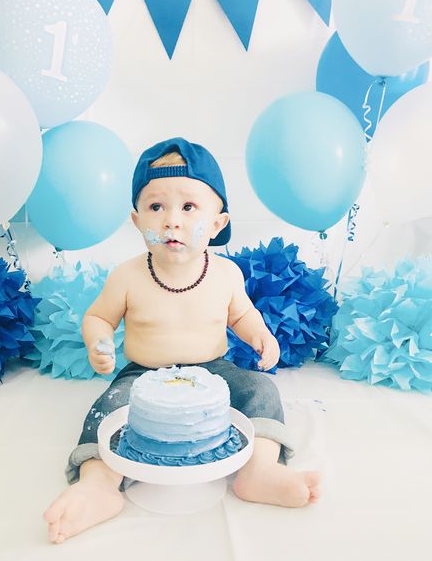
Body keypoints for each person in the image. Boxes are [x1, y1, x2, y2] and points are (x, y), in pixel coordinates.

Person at [43, 138, 321, 544]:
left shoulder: (226, 273)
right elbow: (98, 316)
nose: (171, 220)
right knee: (107, 409)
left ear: (217, 223)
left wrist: (260, 335)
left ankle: (258, 469)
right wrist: (99, 341)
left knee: (261, 389)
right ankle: (99, 484)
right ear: (137, 221)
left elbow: (241, 314)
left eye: (189, 207)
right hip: (143, 374)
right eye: (156, 207)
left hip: (213, 371)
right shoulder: (127, 276)